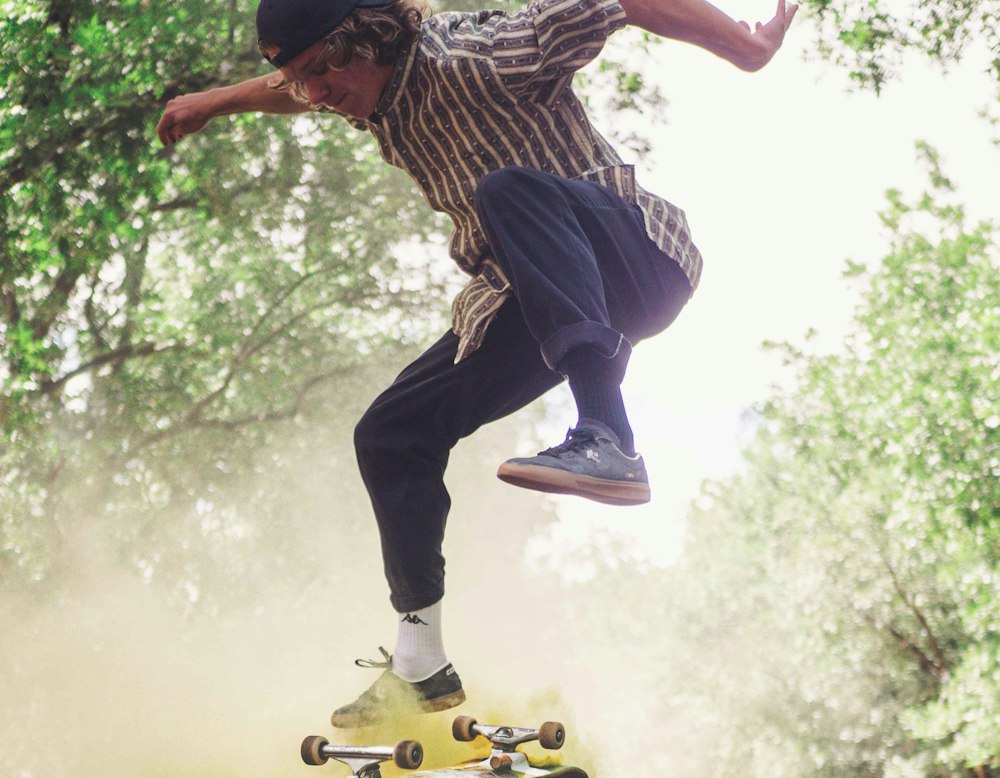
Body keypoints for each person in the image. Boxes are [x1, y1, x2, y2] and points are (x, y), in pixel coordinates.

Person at [156, 0, 797, 727]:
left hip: (637, 256)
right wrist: (217, 102)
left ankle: (608, 439)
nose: (318, 95)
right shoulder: (360, 91)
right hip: (532, 294)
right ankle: (421, 663)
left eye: (320, 73)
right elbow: (291, 84)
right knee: (392, 434)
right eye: (302, 82)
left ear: (367, 35)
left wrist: (744, 48)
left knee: (507, 188)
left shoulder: (483, 52)